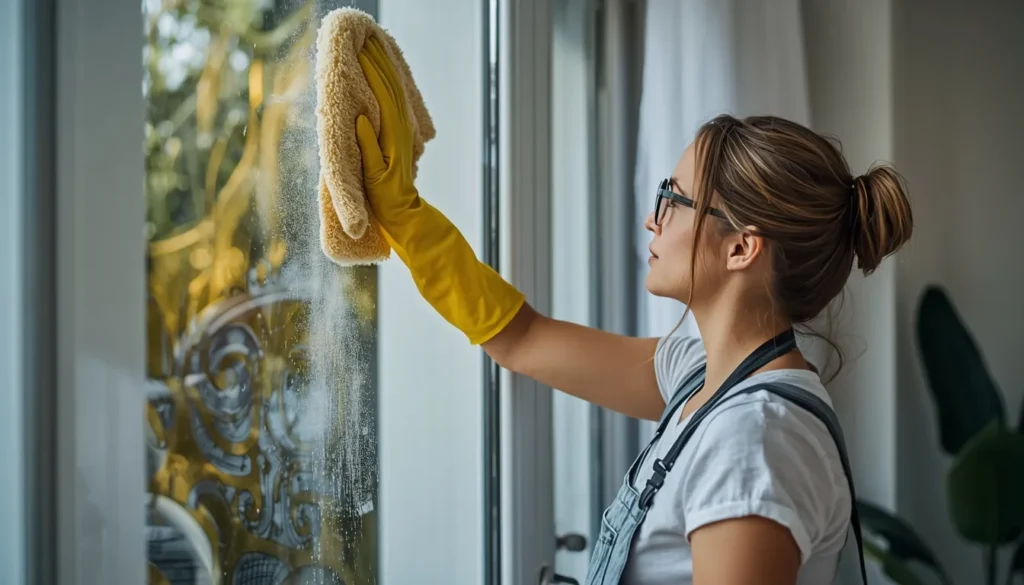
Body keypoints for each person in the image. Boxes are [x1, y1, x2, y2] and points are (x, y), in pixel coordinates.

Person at [352, 38, 913, 585]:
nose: (654, 219)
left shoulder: (753, 444)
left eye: (674, 198)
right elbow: (522, 340)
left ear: (742, 247)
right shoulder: (701, 374)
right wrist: (404, 216)